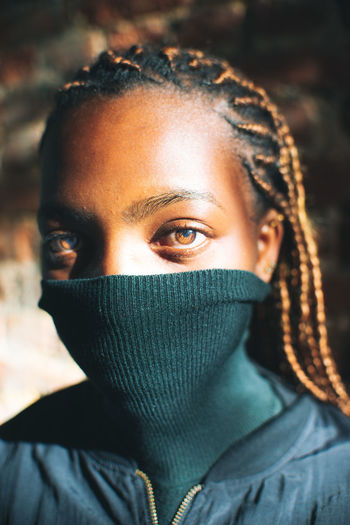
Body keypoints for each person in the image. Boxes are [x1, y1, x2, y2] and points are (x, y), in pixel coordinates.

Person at [0, 43, 350, 525]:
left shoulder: (337, 486)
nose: (113, 276)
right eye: (67, 239)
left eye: (181, 232)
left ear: (264, 248)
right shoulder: (12, 470)